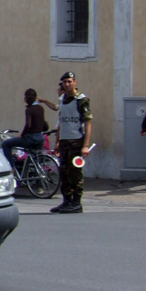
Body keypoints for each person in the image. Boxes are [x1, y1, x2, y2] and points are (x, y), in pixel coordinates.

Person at [50, 71, 92, 214]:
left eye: (70, 81)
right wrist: (57, 142)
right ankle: (66, 200)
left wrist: (85, 145)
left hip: (76, 141)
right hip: (64, 142)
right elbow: (61, 122)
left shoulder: (81, 100)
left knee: (75, 173)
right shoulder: (62, 99)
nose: (67, 84)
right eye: (65, 82)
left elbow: (88, 123)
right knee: (64, 172)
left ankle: (76, 202)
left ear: (75, 82)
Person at [1, 88, 48, 167]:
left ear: (26, 98)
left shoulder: (29, 110)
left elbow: (28, 125)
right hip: (40, 137)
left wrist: (22, 135)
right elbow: (43, 124)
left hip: (31, 138)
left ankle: (11, 167)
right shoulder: (40, 108)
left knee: (6, 144)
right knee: (34, 158)